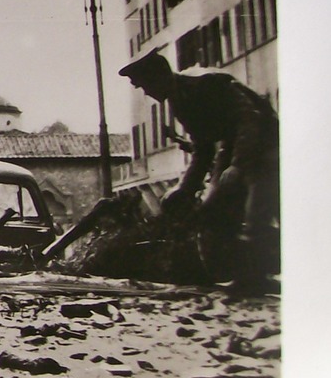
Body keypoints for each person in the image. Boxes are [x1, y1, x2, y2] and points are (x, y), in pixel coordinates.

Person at [118, 50, 279, 244]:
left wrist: (237, 165)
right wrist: (184, 188)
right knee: (211, 211)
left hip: (266, 139)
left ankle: (266, 260)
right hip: (234, 144)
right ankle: (236, 268)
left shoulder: (205, 83)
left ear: (160, 76)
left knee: (256, 216)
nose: (146, 93)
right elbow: (203, 149)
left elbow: (249, 120)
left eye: (146, 85)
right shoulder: (178, 101)